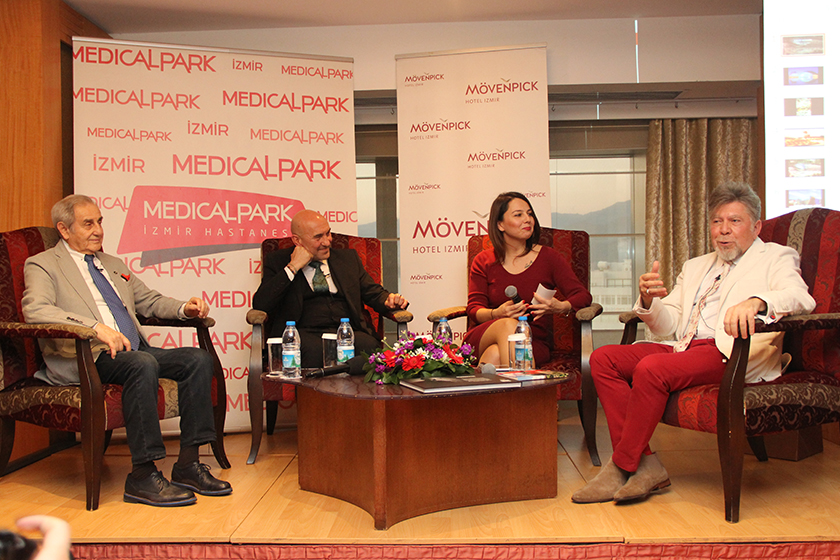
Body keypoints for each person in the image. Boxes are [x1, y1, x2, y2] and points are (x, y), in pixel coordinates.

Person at [572, 182, 816, 505]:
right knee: (603, 359)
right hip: (685, 346)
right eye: (717, 221)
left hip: (730, 352)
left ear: (756, 226)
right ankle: (644, 464)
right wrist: (649, 301)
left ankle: (621, 466)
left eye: (735, 221)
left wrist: (757, 302)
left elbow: (800, 297)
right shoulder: (696, 266)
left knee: (651, 368)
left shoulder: (776, 256)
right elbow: (670, 323)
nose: (724, 230)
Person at [22, 195, 232, 508]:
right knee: (141, 363)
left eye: (99, 221)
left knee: (196, 360)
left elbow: (149, 301)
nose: (98, 230)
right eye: (88, 224)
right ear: (64, 230)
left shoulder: (113, 265)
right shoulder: (43, 264)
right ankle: (143, 475)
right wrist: (94, 327)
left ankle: (189, 464)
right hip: (87, 356)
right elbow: (36, 310)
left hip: (132, 351)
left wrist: (184, 308)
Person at [253, 209, 408, 367]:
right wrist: (293, 267)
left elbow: (373, 292)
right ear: (297, 240)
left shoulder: (348, 259)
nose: (327, 242)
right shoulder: (278, 261)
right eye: (318, 237)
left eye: (328, 233)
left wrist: (389, 300)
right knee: (311, 352)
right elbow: (261, 303)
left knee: (368, 346)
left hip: (347, 330)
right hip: (304, 334)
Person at [464, 192, 592, 366]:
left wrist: (561, 307)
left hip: (533, 341)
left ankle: (500, 382)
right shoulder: (483, 260)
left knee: (495, 354)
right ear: (500, 224)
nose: (528, 219)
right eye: (518, 215)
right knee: (508, 325)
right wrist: (497, 314)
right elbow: (474, 309)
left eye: (530, 214)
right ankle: (526, 380)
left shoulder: (549, 257)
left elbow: (583, 296)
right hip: (485, 335)